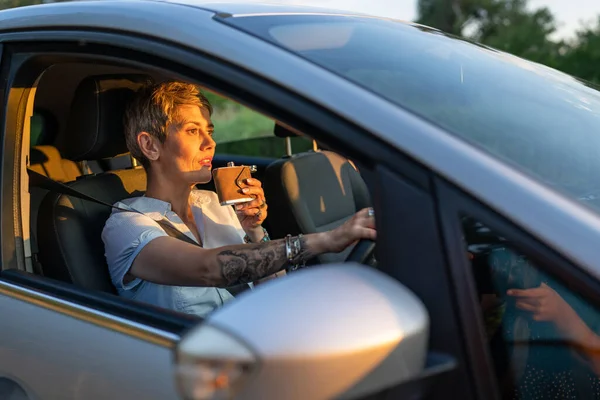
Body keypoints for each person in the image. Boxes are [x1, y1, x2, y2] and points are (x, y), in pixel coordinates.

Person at [102, 81, 376, 317]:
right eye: (192, 130)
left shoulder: (214, 203)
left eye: (209, 131)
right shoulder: (126, 226)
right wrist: (327, 240)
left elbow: (271, 294)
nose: (210, 143)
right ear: (150, 145)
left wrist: (254, 229)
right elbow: (209, 268)